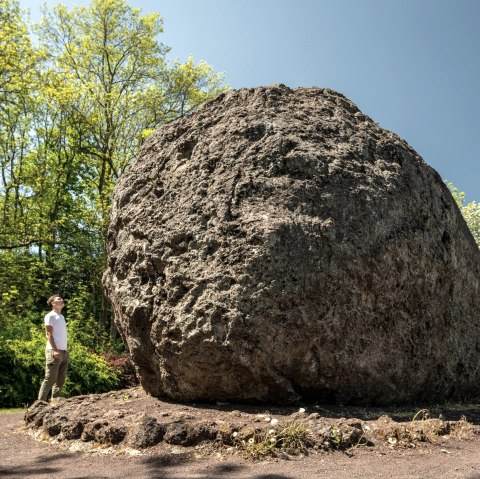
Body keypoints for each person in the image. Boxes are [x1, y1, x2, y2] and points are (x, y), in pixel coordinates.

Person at [38, 295, 69, 402]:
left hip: (64, 352)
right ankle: (40, 404)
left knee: (61, 380)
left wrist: (64, 351)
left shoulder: (61, 317)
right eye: (59, 299)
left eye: (62, 299)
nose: (62, 300)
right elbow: (48, 334)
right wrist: (55, 350)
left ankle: (55, 403)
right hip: (53, 351)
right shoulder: (50, 316)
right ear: (53, 303)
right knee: (50, 378)